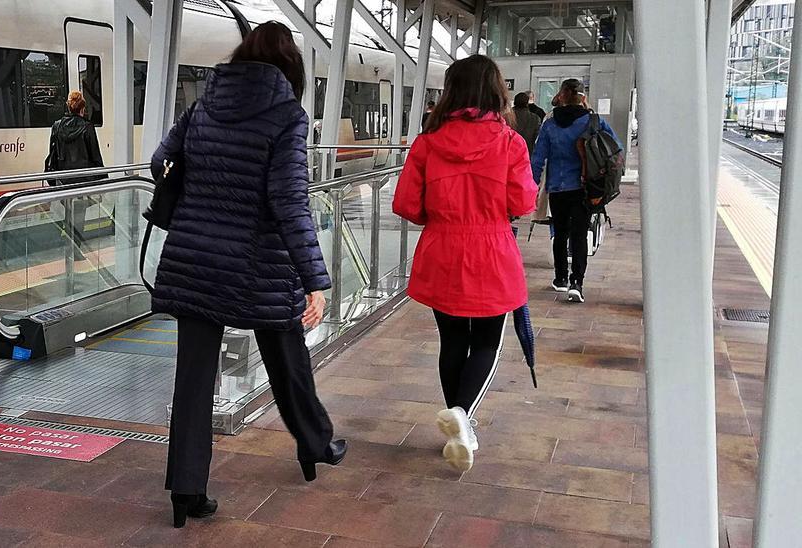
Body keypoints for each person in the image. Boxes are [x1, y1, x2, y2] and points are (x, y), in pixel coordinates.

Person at [151, 21, 346, 528]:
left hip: (195, 259)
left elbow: (161, 160)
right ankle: (314, 444)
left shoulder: (203, 105)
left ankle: (185, 492)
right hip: (259, 265)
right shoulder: (287, 115)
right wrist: (315, 279)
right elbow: (288, 201)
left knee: (192, 379)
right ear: (291, 67)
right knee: (288, 356)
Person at [392, 55, 537, 472]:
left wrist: (441, 217)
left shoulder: (427, 142)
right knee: (488, 342)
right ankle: (462, 413)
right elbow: (523, 203)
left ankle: (461, 422)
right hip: (491, 249)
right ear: (496, 91)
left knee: (452, 341)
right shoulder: (510, 142)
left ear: (451, 91)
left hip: (441, 249)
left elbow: (406, 204)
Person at [530, 79, 620, 303]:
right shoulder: (593, 121)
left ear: (561, 95)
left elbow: (538, 159)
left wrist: (532, 186)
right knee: (579, 235)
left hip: (558, 188)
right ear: (582, 97)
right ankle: (576, 283)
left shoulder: (550, 124)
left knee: (560, 232)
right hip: (584, 188)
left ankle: (560, 278)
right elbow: (616, 150)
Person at [44, 90, 105, 261]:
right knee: (79, 216)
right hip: (82, 181)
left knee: (68, 213)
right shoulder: (87, 127)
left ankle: (69, 247)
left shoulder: (56, 126)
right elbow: (95, 155)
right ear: (82, 109)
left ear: (69, 107)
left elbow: (52, 153)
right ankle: (75, 249)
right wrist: (103, 181)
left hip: (64, 180)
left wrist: (53, 178)